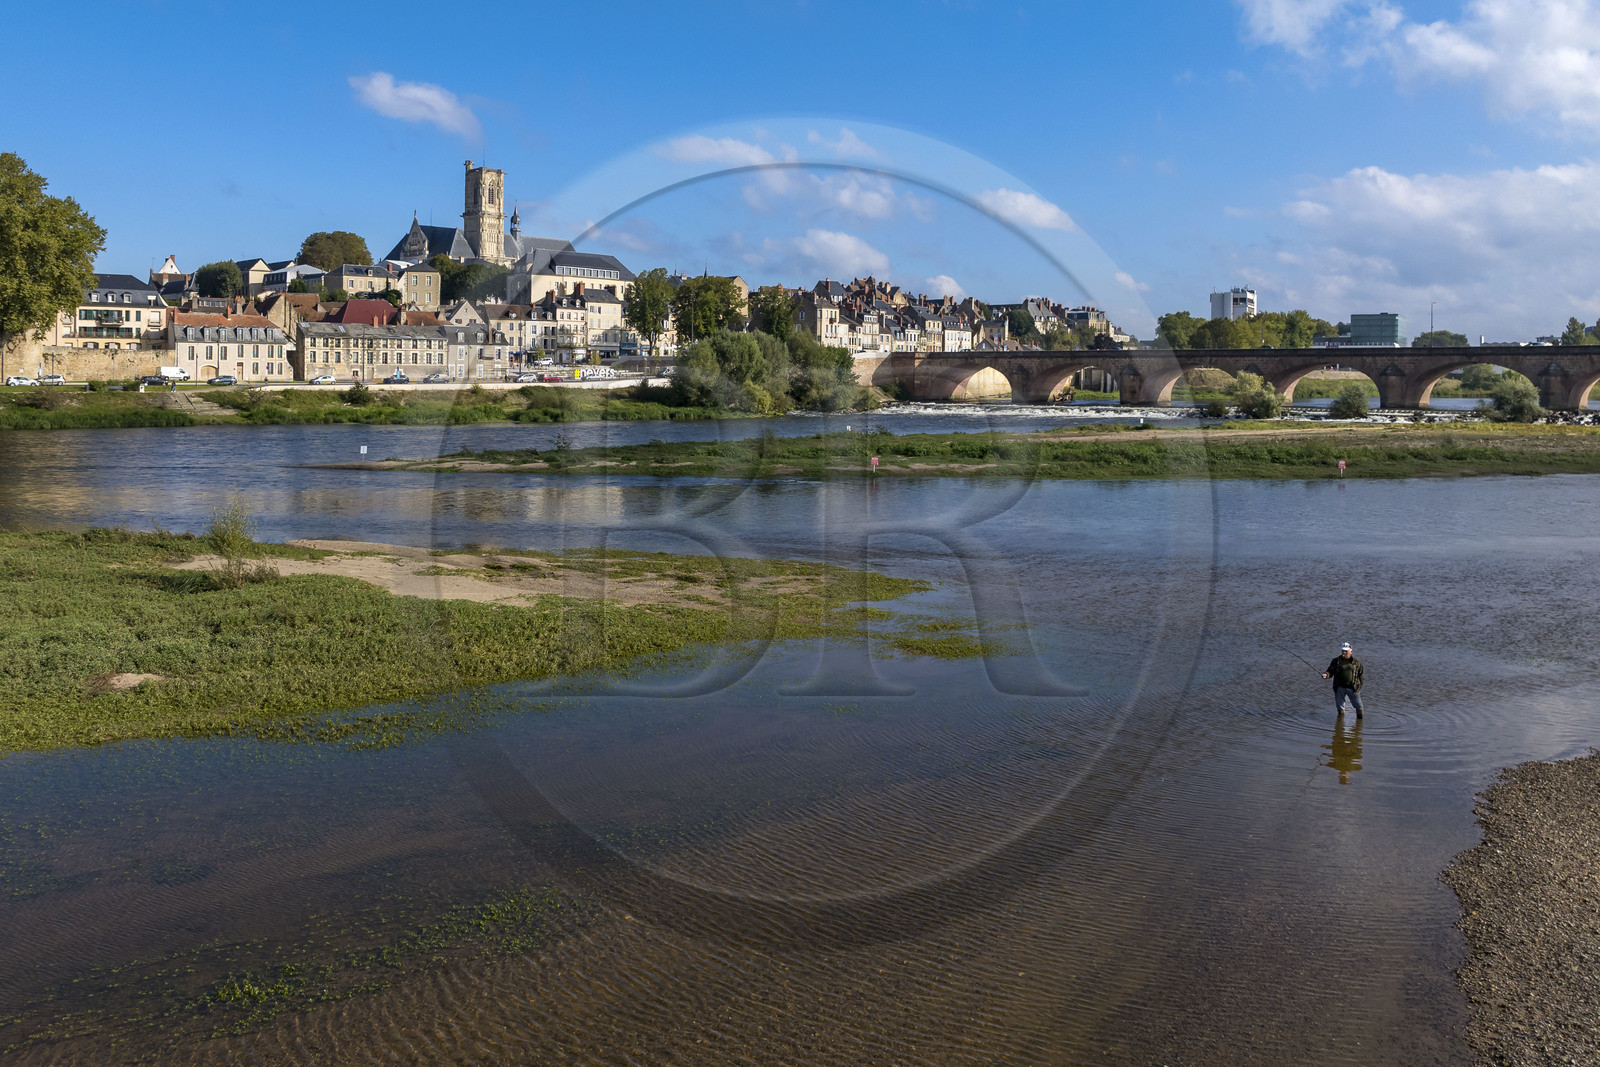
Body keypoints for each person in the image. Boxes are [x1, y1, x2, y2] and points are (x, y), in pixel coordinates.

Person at [1322, 642, 1364, 718]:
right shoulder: (1336, 661)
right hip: (1339, 687)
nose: (1344, 653)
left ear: (1351, 651)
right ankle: (1340, 724)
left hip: (1353, 688)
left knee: (1358, 706)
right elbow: (1330, 671)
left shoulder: (1357, 662)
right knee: (1340, 707)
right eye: (1343, 651)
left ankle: (1360, 720)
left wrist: (1358, 686)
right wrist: (1326, 675)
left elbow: (1361, 675)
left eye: (1346, 651)